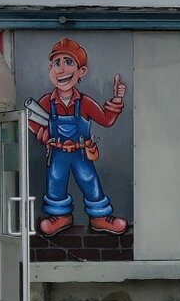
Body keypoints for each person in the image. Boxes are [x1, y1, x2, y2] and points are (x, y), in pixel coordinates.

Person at [28, 38, 128, 237]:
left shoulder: (84, 102)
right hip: (57, 153)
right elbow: (31, 120)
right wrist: (42, 133)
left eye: (68, 62)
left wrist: (117, 99)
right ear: (50, 69)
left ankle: (99, 217)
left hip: (81, 152)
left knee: (89, 180)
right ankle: (60, 216)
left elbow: (106, 120)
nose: (61, 69)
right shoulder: (46, 102)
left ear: (81, 71)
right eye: (57, 63)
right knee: (55, 179)